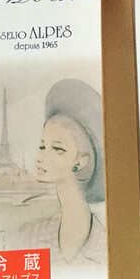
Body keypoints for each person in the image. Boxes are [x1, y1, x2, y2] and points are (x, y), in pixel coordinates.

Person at [18, 79, 106, 266]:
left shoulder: (106, 247)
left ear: (80, 162)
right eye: (42, 147)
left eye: (57, 149)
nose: (40, 157)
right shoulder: (31, 237)